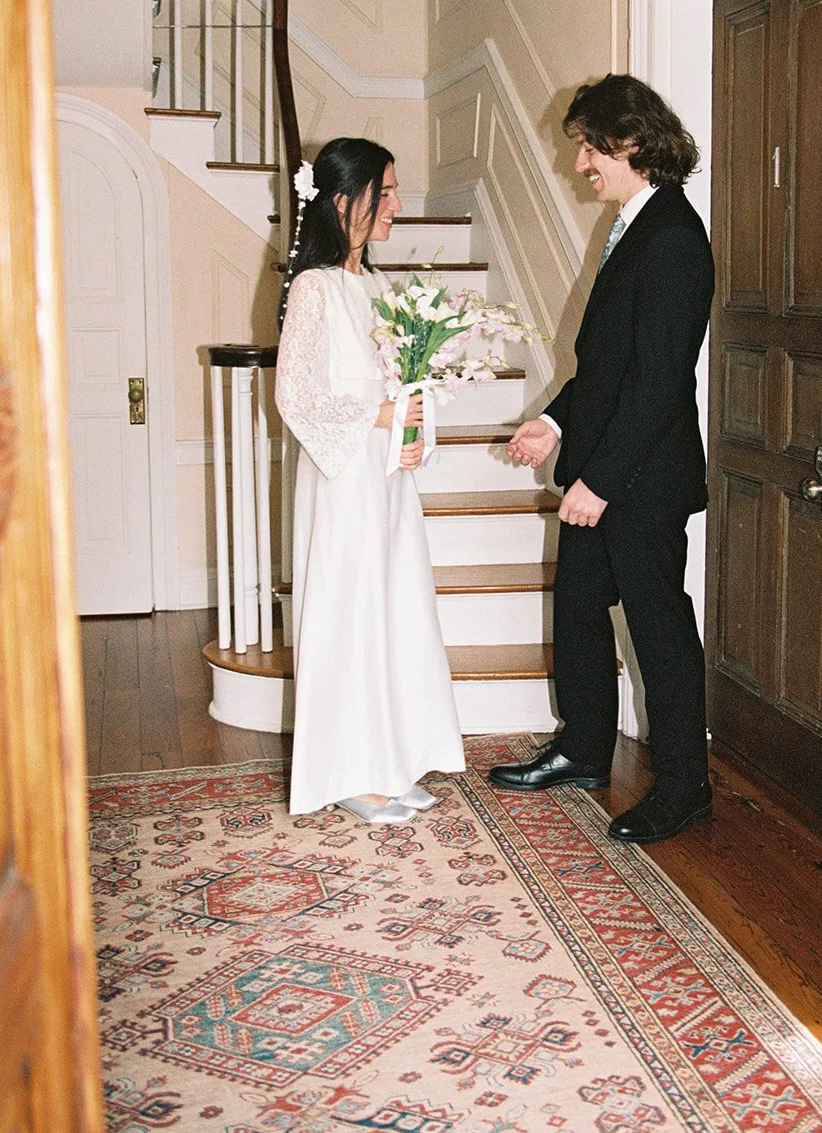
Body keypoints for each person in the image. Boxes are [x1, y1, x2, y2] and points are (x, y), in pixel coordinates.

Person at [488, 75, 714, 845]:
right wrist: (553, 423)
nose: (581, 162)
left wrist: (601, 482)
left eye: (591, 146)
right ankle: (584, 749)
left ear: (635, 144)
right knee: (580, 610)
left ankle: (686, 785)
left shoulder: (675, 238)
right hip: (605, 466)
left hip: (641, 481)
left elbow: (658, 384)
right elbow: (608, 366)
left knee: (659, 629)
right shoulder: (632, 225)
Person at [275, 137, 465, 822]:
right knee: (348, 616)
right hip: (342, 482)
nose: (397, 205)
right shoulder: (314, 287)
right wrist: (379, 414)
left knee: (395, 613)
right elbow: (294, 396)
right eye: (383, 192)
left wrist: (416, 429)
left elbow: (405, 384)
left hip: (385, 483)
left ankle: (393, 759)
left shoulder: (378, 287)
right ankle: (349, 770)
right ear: (341, 199)